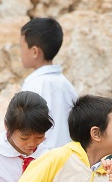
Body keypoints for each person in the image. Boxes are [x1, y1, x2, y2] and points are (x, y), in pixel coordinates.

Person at [19, 18, 78, 158]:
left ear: (34, 52)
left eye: (21, 47)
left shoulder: (33, 85)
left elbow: (25, 127)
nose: (20, 52)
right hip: (68, 160)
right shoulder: (67, 85)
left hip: (41, 162)